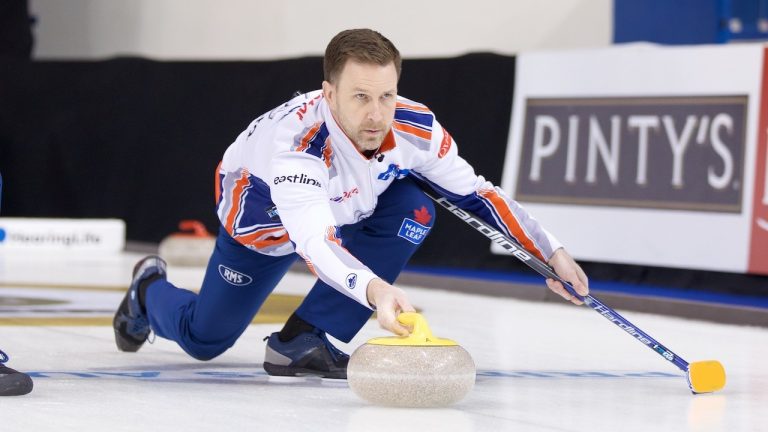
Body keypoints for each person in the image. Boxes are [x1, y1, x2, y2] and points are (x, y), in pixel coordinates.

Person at [113, 29, 589, 379]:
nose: (376, 114)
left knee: (415, 208)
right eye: (361, 97)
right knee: (205, 339)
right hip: (265, 222)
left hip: (349, 207)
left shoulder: (414, 126)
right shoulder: (297, 147)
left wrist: (551, 253)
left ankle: (306, 337)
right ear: (329, 93)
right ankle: (147, 290)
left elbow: (478, 194)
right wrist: (377, 292)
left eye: (386, 95)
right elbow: (317, 245)